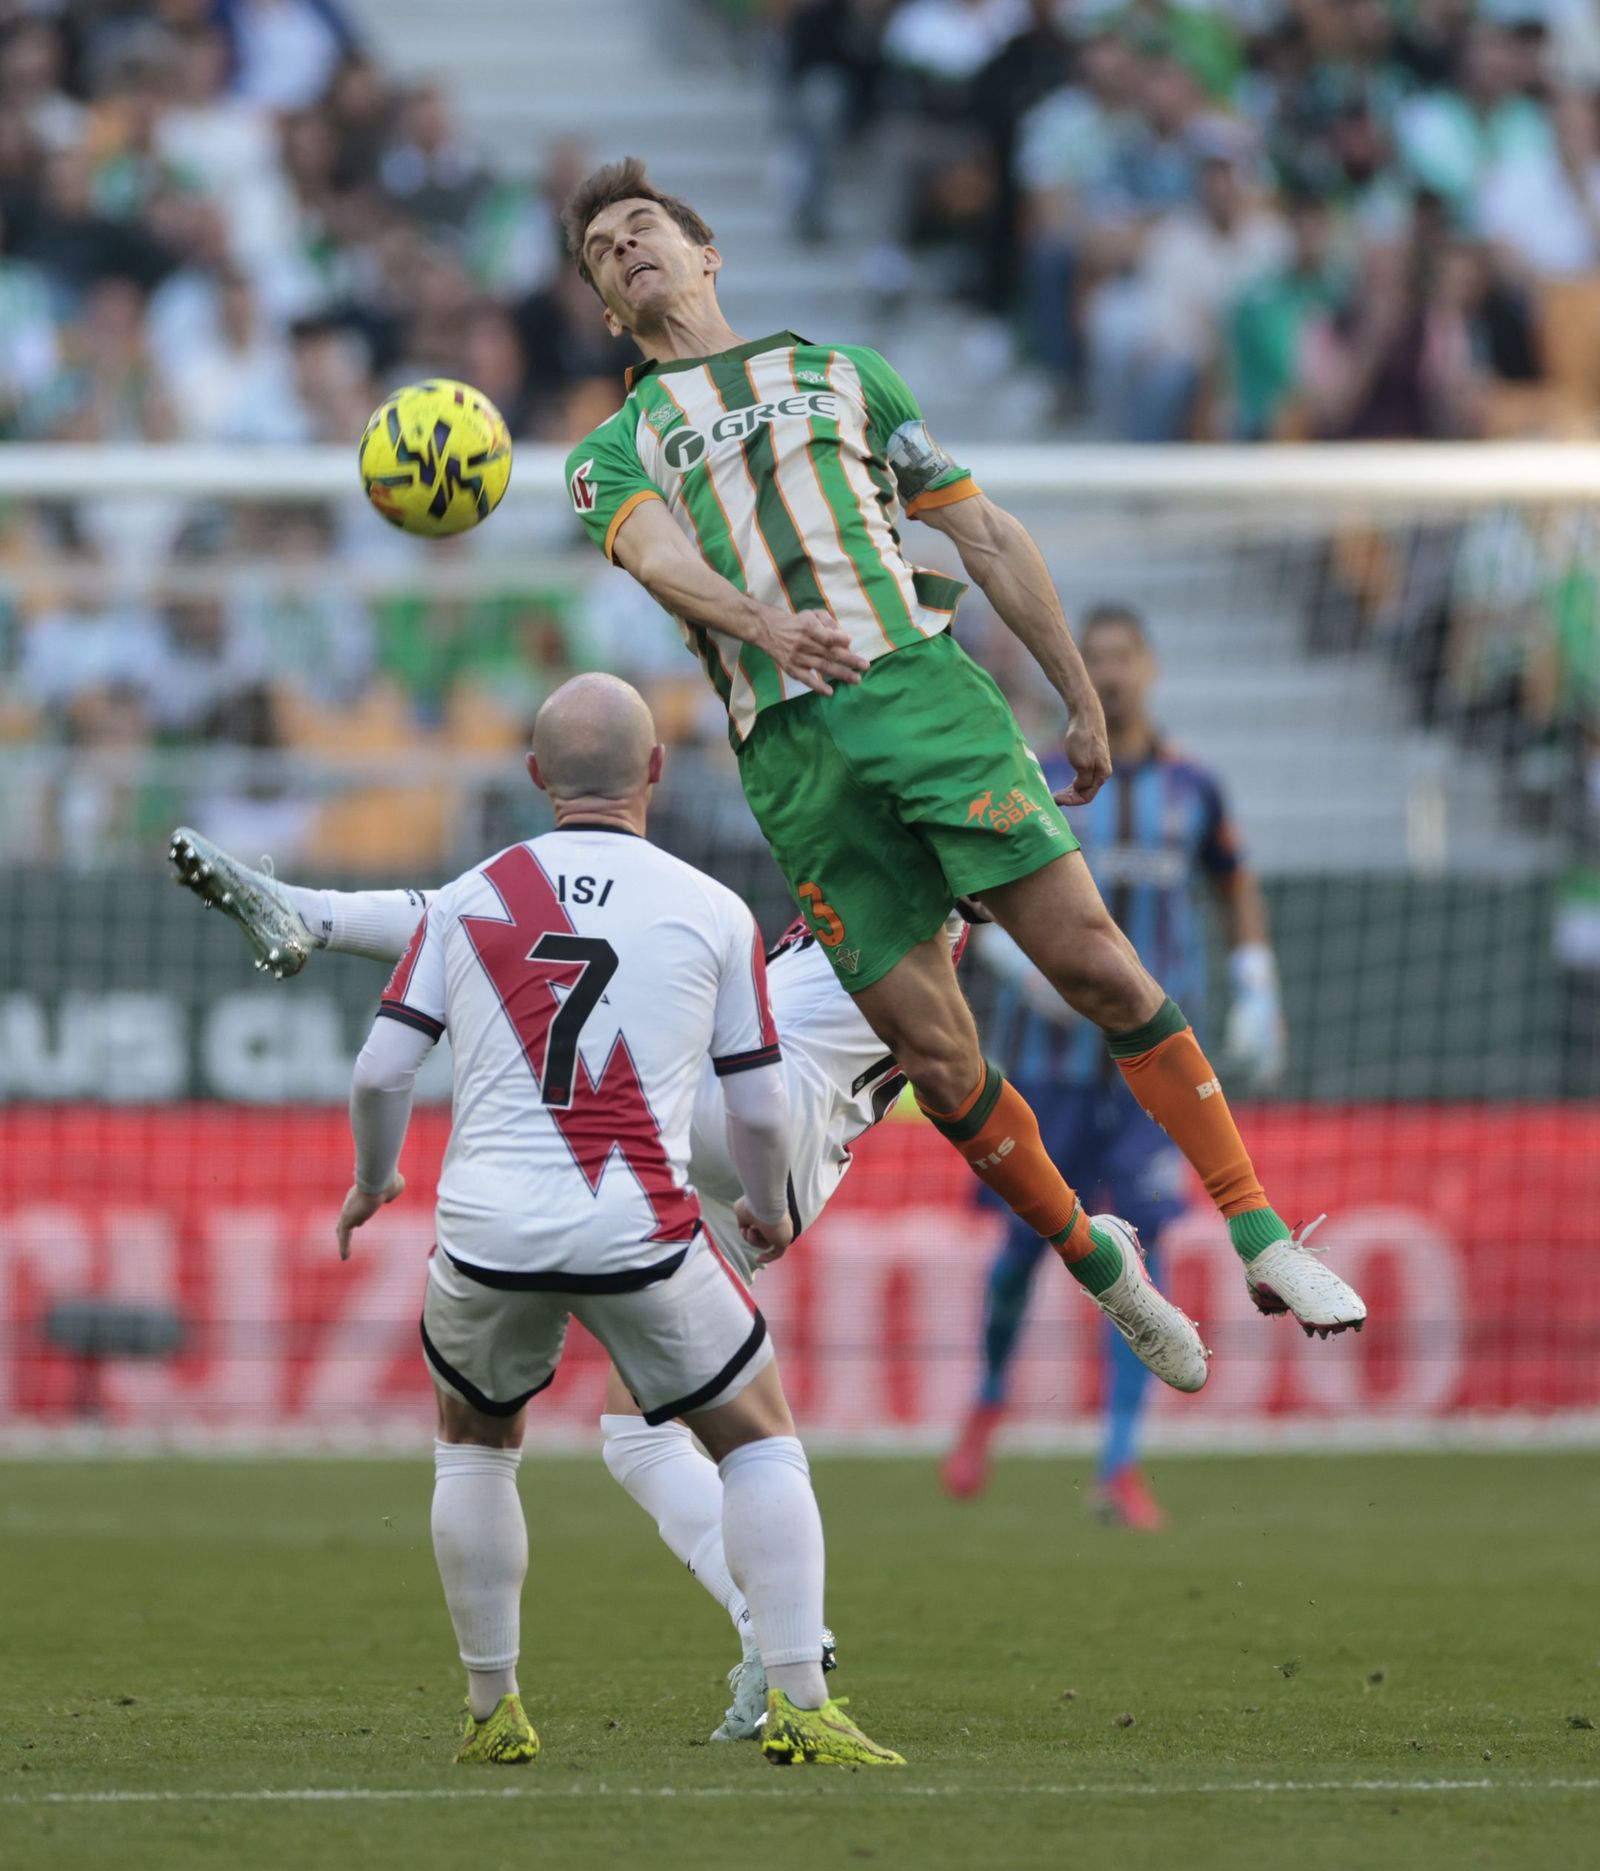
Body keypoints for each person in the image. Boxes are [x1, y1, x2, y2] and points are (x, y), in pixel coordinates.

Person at [169, 761, 1206, 1742]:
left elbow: (967, 1087)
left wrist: (1082, 1243)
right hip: (764, 1153)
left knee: (522, 924)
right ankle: (770, 1635)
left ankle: (316, 914)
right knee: (641, 1434)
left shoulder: (902, 918)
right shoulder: (890, 915)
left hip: (746, 1119)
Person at [555, 155, 1364, 1345]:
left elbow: (980, 530)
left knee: (1093, 962)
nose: (625, 247)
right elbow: (658, 557)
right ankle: (1101, 1263)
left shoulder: (842, 375)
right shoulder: (612, 444)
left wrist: (1077, 695)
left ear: (705, 251)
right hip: (790, 753)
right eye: (600, 253)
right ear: (609, 310)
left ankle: (1258, 1230)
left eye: (644, 227)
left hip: (922, 695)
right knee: (937, 1060)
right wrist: (761, 621)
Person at [330, 673, 903, 1768]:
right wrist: (771, 1205)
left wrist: (372, 1180)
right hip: (637, 1225)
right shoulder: (710, 906)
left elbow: (380, 1068)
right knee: (757, 1439)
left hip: (487, 1229)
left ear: (535, 775)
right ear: (655, 770)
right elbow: (756, 1098)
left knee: (474, 1451)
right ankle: (801, 1701)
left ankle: (494, 1711)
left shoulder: (471, 896)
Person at [942, 607, 1287, 1524]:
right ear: (1076, 677)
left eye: (1123, 657)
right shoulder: (1035, 778)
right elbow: (971, 885)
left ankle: (1120, 1461)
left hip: (1150, 1084)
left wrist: (1256, 978)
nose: (1111, 673)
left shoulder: (1193, 787)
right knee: (1024, 1245)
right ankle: (986, 1401)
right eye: (1093, 661)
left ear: (1152, 665)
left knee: (1149, 1245)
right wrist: (1021, 960)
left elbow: (1233, 877)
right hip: (1050, 1064)